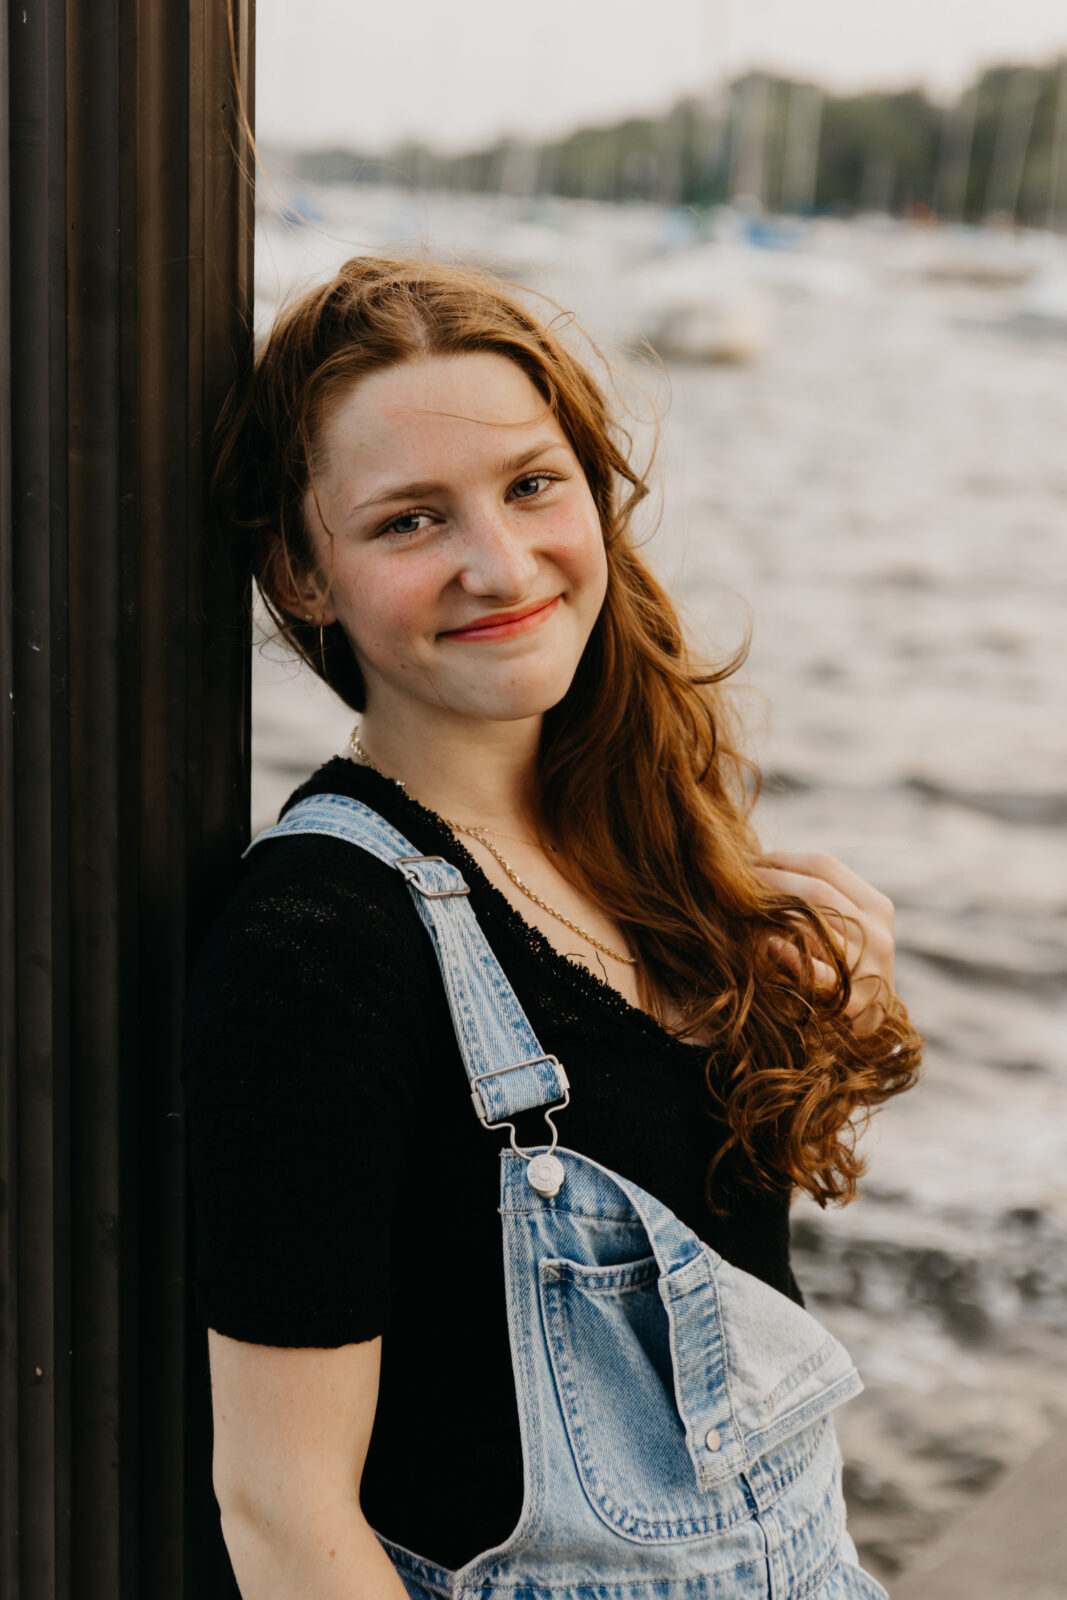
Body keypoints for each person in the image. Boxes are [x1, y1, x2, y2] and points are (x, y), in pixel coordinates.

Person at [183, 255, 922, 1599]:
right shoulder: (319, 945)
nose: (500, 562)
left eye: (532, 485)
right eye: (411, 521)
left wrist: (830, 1013)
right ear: (302, 574)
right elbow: (283, 1518)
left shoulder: (639, 843)